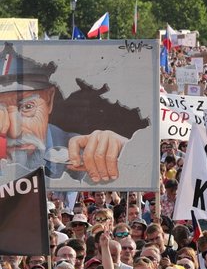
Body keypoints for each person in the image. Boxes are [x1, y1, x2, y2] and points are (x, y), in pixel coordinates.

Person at [0, 44, 132, 182]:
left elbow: (129, 173)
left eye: (27, 106)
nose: (14, 131)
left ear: (49, 100)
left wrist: (122, 152)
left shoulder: (81, 152)